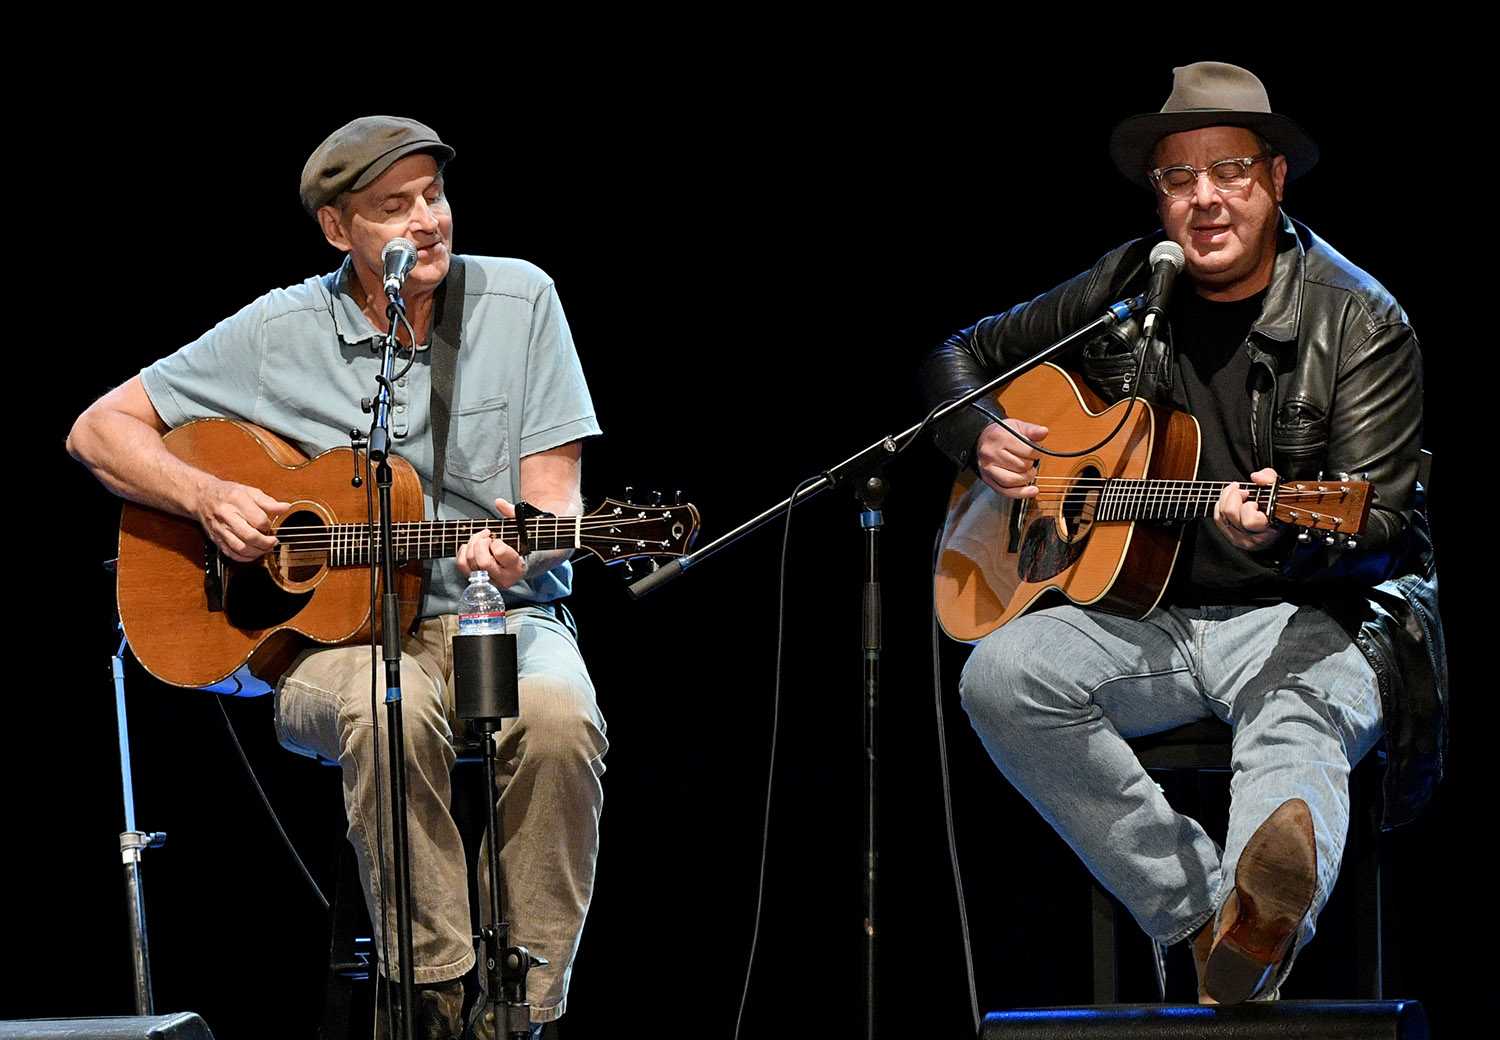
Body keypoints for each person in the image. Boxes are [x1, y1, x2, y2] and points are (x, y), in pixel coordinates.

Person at [68, 116, 605, 1037]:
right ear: (337, 229)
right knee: (383, 706)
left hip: (498, 614)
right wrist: (205, 497)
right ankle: (432, 995)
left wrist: (519, 544)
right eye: (394, 208)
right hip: (334, 644)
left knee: (560, 721)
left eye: (434, 195)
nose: (427, 220)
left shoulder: (522, 301)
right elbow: (96, 429)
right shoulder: (279, 330)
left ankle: (521, 1012)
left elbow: (552, 500)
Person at [920, 63, 1444, 1002]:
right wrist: (981, 431)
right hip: (1147, 619)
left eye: (1230, 170)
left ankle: (1254, 927)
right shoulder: (1128, 285)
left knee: (1291, 724)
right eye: (1177, 178)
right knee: (1000, 678)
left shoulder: (1360, 320)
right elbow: (957, 356)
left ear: (1276, 181)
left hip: (1317, 613)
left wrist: (1282, 536)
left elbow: (1386, 526)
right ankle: (1218, 922)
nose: (1204, 199)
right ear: (1159, 196)